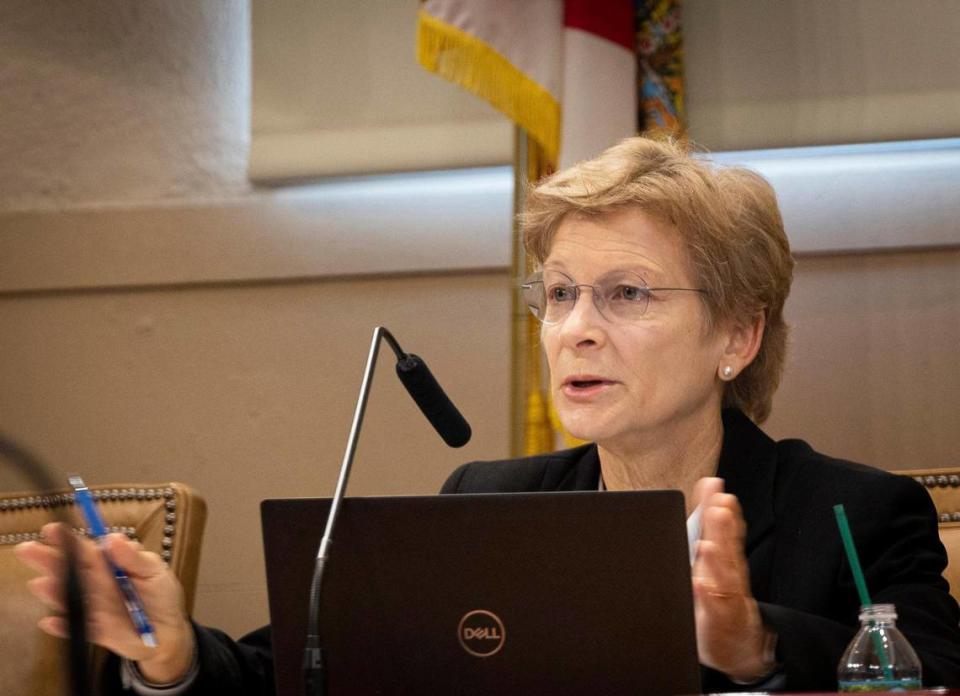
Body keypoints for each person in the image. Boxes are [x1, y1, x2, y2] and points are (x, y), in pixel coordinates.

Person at [15, 137, 960, 693]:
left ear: (737, 337)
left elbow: (935, 671)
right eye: (558, 295)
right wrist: (177, 656)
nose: (575, 332)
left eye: (627, 295)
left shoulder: (860, 515)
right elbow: (321, 666)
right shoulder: (493, 501)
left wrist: (754, 647)